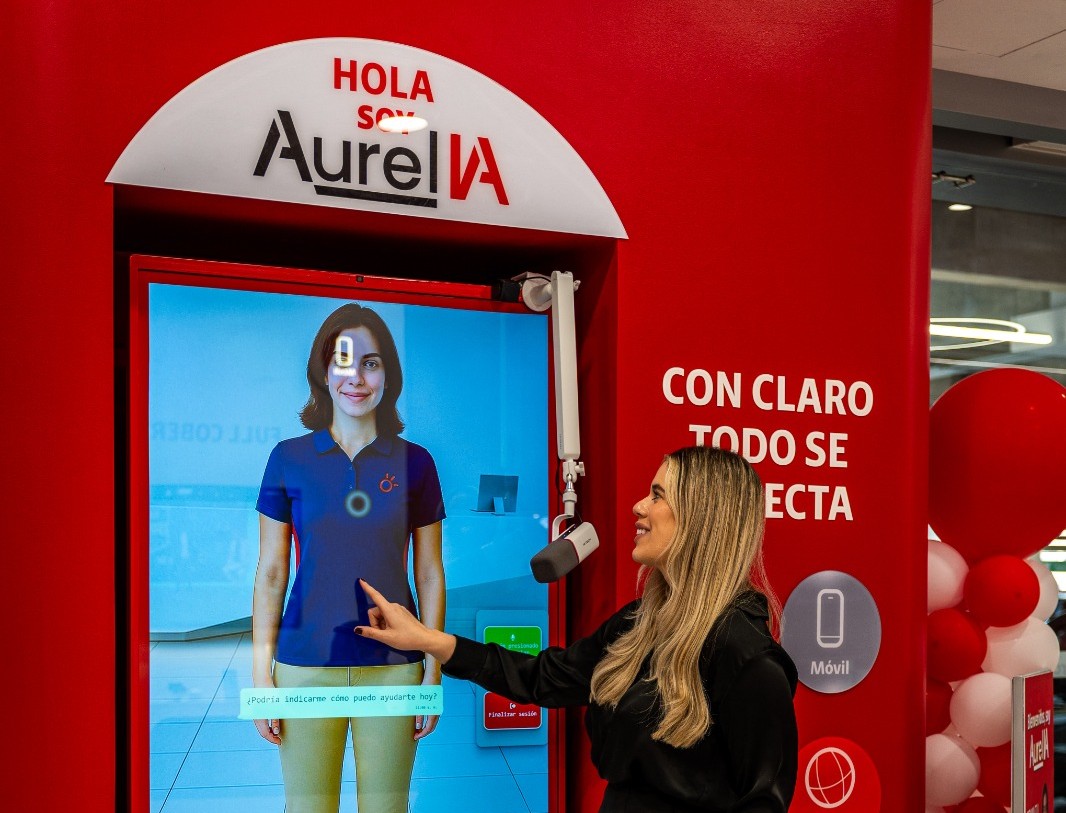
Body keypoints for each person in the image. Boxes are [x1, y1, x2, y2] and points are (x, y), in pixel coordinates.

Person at [355, 445, 798, 812]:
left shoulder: (746, 655)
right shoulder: (640, 624)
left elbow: (764, 800)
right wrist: (430, 640)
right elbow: (544, 678)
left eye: (658, 495)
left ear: (702, 518)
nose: (639, 507)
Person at [251, 303, 446, 813]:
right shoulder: (288, 458)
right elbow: (271, 572)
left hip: (395, 666)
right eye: (343, 361)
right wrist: (261, 673)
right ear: (323, 371)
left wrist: (432, 669)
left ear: (387, 375)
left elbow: (429, 573)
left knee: (387, 808)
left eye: (371, 363)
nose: (356, 377)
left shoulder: (416, 463)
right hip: (303, 664)